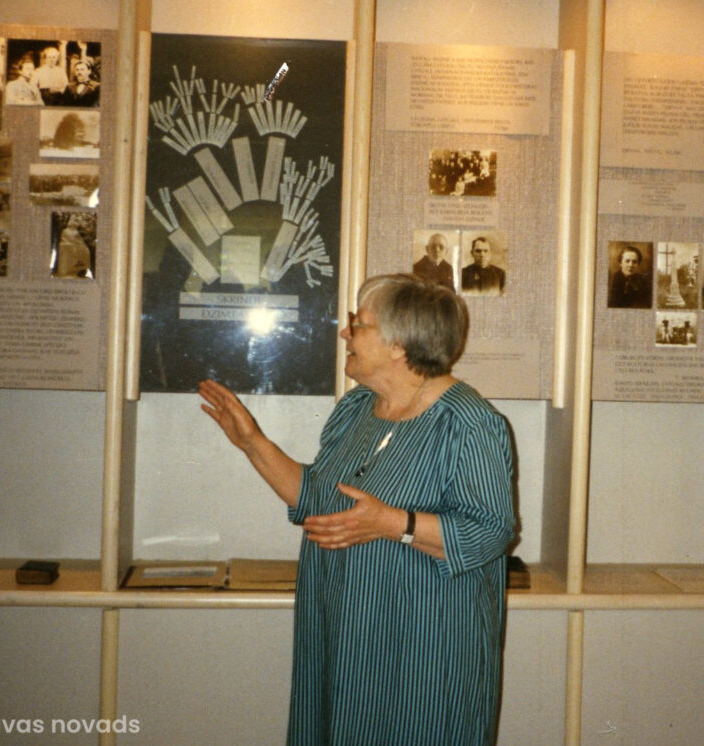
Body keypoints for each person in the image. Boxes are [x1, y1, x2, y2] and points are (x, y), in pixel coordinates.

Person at [198, 274, 515, 745]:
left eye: (358, 324)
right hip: (343, 637)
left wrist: (393, 523)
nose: (345, 332)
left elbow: (490, 532)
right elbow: (319, 501)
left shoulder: (469, 423)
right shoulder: (356, 409)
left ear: (399, 345)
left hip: (421, 656)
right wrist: (252, 443)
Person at [607, 243, 651, 308]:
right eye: (627, 261)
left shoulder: (642, 282)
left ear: (638, 264)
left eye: (634, 262)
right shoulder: (612, 281)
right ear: (620, 263)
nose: (630, 265)